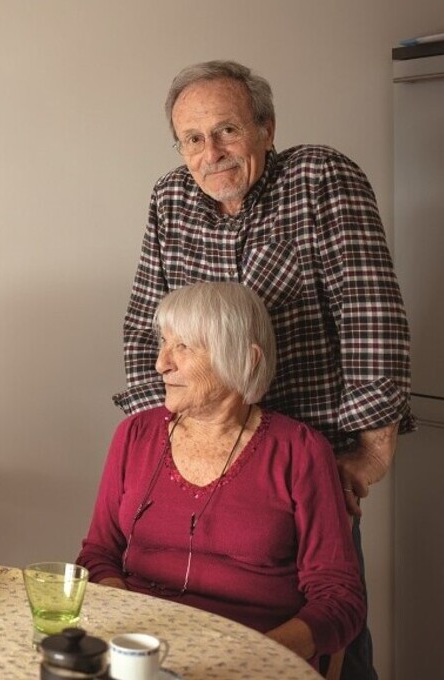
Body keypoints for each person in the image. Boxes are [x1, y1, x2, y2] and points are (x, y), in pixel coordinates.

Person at [114, 60, 410, 679]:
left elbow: (371, 320)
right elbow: (148, 328)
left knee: (328, 634)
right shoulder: (170, 198)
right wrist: (156, 451)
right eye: (192, 139)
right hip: (205, 450)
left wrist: (370, 458)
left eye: (227, 131)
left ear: (267, 129)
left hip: (309, 461)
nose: (211, 152)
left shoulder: (320, 179)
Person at [81, 282, 365, 671]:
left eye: (183, 346)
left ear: (245, 359)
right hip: (142, 653)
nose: (161, 363)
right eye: (164, 343)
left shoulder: (300, 451)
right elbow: (98, 554)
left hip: (252, 659)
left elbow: (339, 598)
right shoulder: (135, 435)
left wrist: (253, 655)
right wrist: (128, 623)